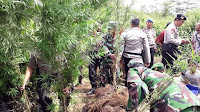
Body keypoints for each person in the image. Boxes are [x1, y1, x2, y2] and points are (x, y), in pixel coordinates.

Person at [126, 58, 200, 112]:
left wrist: (130, 109)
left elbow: (137, 86)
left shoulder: (135, 70)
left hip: (175, 104)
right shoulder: (158, 76)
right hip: (193, 102)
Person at [120, 18, 151, 86]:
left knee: (128, 75)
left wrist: (119, 59)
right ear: (139, 25)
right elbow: (146, 48)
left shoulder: (125, 33)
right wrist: (147, 60)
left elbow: (121, 47)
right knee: (138, 75)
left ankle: (127, 90)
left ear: (131, 24)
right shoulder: (142, 34)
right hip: (138, 58)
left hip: (127, 57)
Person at [99, 21, 116, 87]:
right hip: (105, 59)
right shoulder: (104, 36)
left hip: (114, 60)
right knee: (103, 76)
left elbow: (121, 47)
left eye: (111, 28)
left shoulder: (118, 37)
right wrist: (109, 54)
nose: (110, 30)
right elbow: (103, 46)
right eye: (109, 29)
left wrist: (117, 56)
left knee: (114, 77)